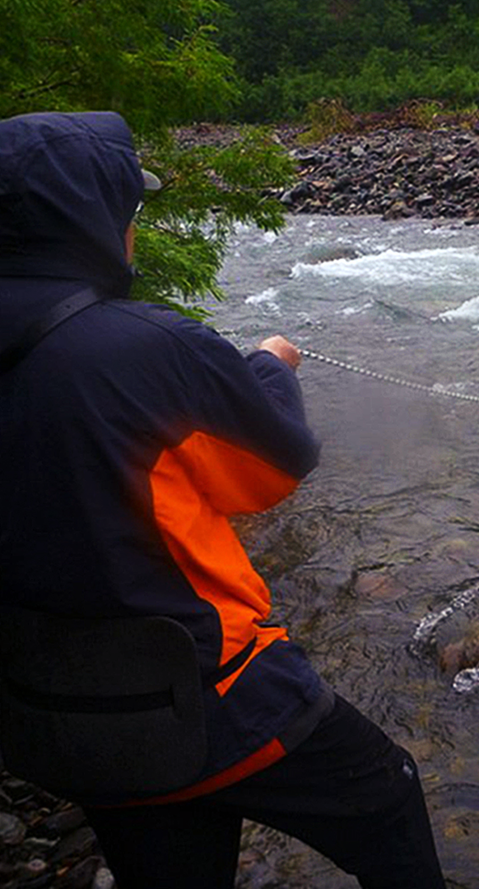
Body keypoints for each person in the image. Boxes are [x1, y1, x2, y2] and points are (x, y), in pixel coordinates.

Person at [0, 111, 446, 888]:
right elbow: (269, 470)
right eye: (129, 211)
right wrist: (269, 365)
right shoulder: (145, 345)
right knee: (387, 797)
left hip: (50, 713)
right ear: (90, 222)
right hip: (211, 695)